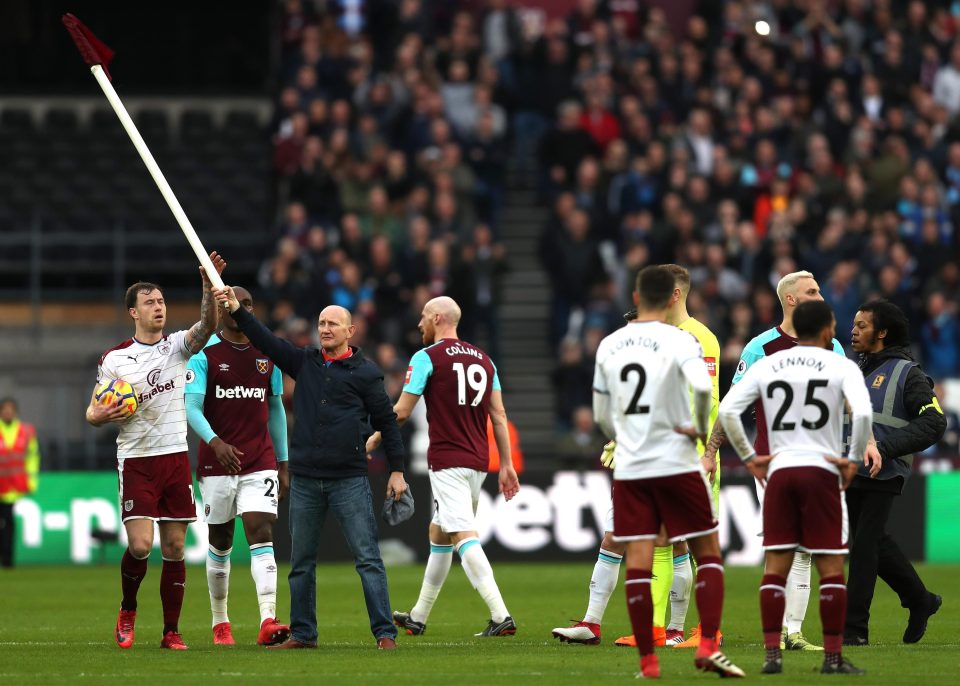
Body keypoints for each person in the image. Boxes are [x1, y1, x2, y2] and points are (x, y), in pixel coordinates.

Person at [214, 286, 407, 651]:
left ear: (351, 331)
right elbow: (264, 339)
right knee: (301, 562)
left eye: (334, 323)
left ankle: (385, 633)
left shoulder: (366, 373)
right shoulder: (305, 362)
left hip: (349, 478)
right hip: (305, 478)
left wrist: (396, 470)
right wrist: (237, 309)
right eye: (321, 323)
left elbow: (387, 420)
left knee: (367, 559)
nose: (326, 329)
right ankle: (304, 634)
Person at [552, 264, 723, 649]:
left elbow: (709, 400)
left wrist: (701, 448)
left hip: (680, 456)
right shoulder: (663, 341)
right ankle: (593, 623)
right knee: (618, 537)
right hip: (643, 453)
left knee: (676, 542)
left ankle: (675, 630)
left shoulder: (697, 338)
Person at [592, 265, 744, 679]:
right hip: (678, 459)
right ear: (673, 295)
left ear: (638, 297)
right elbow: (702, 394)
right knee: (705, 549)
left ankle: (649, 660)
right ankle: (708, 644)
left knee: (640, 556)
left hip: (635, 463)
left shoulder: (611, 344)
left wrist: (623, 436)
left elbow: (602, 412)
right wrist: (694, 435)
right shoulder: (683, 341)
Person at [719, 300, 874, 675]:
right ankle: (833, 659)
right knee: (831, 567)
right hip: (821, 471)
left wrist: (749, 456)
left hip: (780, 473)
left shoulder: (768, 364)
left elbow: (727, 411)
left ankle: (773, 655)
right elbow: (864, 413)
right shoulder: (840, 365)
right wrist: (852, 460)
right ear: (825, 329)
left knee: (776, 568)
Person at [86, 252, 226, 651]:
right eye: (150, 302)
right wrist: (100, 414)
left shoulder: (178, 347)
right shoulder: (115, 359)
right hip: (136, 460)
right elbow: (93, 411)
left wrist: (206, 286)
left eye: (161, 301)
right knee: (140, 546)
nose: (158, 307)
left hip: (174, 455)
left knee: (176, 547)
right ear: (133, 311)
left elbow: (206, 326)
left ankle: (171, 632)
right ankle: (128, 609)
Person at [706, 270, 845, 651]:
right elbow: (732, 406)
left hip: (820, 461)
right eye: (812, 291)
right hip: (774, 462)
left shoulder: (833, 347)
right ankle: (782, 631)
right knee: (785, 543)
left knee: (808, 546)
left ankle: (793, 631)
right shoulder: (760, 348)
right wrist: (711, 449)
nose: (821, 295)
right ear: (791, 300)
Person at [369, 296, 521, 638]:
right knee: (439, 533)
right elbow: (498, 415)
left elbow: (403, 410)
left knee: (463, 535)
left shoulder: (426, 358)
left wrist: (376, 436)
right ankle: (419, 616)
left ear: (438, 318)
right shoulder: (485, 359)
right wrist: (507, 464)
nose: (419, 324)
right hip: (478, 461)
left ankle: (500, 614)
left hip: (447, 460)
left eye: (423, 317)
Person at [184, 286, 291, 646]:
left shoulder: (267, 354)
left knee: (260, 532)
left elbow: (275, 408)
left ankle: (268, 619)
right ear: (222, 308)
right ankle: (220, 621)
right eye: (235, 303)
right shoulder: (204, 354)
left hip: (258, 460)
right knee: (221, 540)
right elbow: (192, 408)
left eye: (247, 303)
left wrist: (283, 460)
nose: (241, 308)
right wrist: (215, 442)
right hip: (217, 463)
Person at [845, 300, 945, 646]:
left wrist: (885, 449)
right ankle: (921, 600)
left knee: (862, 549)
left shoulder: (908, 373)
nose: (853, 331)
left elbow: (934, 422)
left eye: (862, 326)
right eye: (854, 324)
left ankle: (854, 631)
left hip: (884, 470)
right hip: (850, 466)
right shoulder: (855, 369)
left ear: (882, 333)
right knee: (869, 543)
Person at [0, 397, 40, 568]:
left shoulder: (26, 431)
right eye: (5, 409)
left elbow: (32, 456)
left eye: (10, 409)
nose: (7, 412)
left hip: (12, 485)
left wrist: (31, 479)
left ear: (15, 412)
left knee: (8, 522)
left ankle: (8, 559)